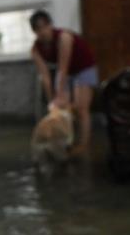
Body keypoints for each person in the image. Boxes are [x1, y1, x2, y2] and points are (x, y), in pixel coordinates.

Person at [29, 10, 99, 157]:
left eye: (44, 27)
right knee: (60, 107)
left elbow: (63, 68)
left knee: (81, 108)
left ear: (50, 25)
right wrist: (52, 100)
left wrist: (59, 93)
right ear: (34, 31)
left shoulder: (64, 37)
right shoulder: (35, 49)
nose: (42, 32)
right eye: (37, 29)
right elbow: (45, 77)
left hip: (83, 67)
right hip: (66, 72)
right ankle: (66, 141)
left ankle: (83, 145)